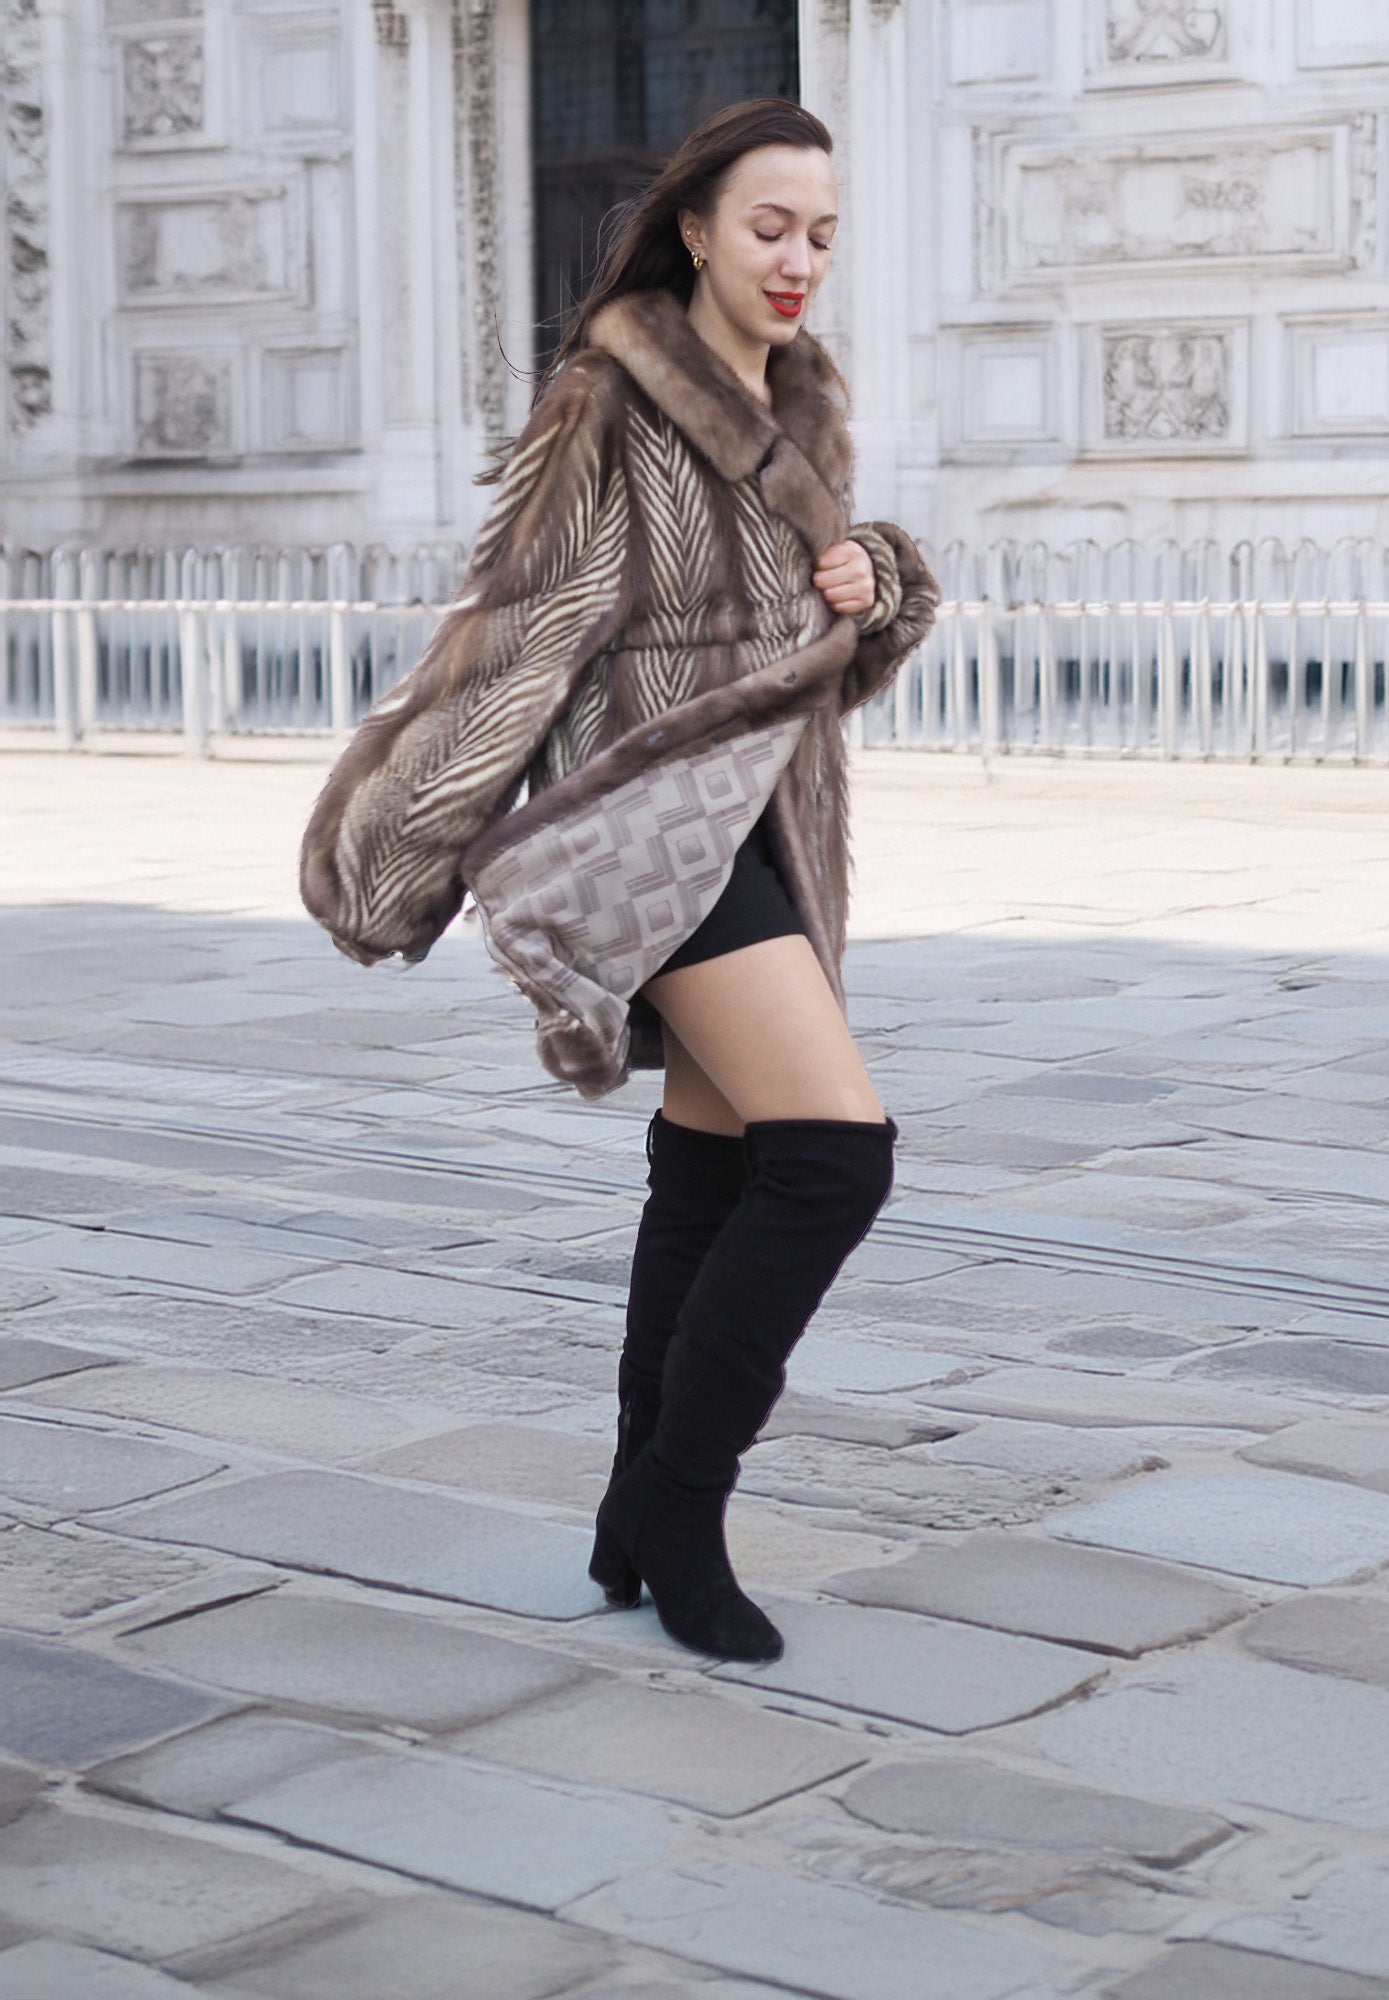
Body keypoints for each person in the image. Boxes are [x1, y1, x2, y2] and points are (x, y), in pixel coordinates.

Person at [299, 98, 939, 1664]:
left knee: (712, 1173)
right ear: (696, 229)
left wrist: (874, 586)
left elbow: (815, 657)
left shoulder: (802, 397)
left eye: (823, 234)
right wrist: (403, 837)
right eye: (770, 227)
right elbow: (521, 635)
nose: (798, 260)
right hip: (652, 824)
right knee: (834, 1158)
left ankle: (625, 1511)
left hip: (770, 822)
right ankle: (680, 1506)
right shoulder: (612, 399)